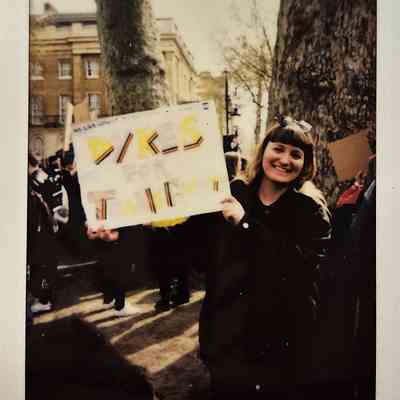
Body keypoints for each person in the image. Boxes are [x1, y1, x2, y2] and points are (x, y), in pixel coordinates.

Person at [198, 115, 332, 399]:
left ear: (306, 164)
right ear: (264, 151)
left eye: (296, 154)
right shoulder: (234, 194)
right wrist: (116, 238)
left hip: (280, 346)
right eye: (279, 149)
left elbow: (297, 267)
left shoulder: (310, 210)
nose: (285, 159)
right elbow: (194, 247)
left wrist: (245, 224)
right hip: (227, 339)